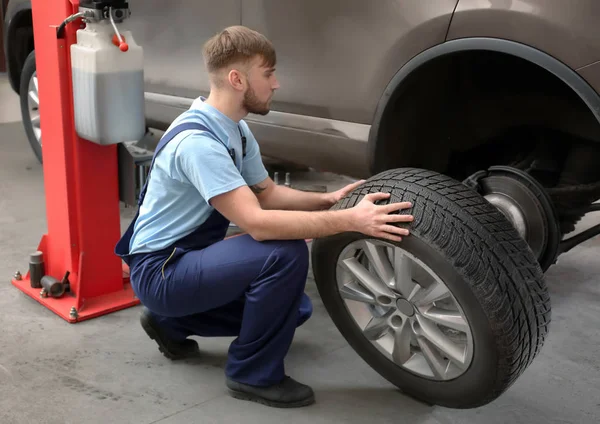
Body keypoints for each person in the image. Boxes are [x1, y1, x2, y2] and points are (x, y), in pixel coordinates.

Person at [115, 25, 414, 408]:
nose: (276, 84)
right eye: (268, 73)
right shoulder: (199, 144)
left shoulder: (233, 130)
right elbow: (257, 222)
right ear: (237, 79)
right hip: (162, 270)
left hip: (183, 260)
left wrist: (329, 201)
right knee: (283, 253)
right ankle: (251, 375)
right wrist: (351, 221)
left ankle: (171, 322)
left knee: (295, 310)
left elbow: (269, 194)